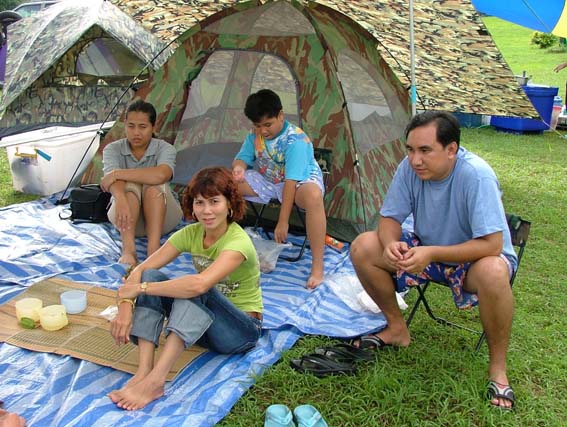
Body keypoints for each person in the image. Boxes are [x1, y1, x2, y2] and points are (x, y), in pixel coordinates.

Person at [349, 111, 517, 410]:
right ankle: (397, 329)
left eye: (425, 150)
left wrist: (432, 253)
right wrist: (391, 244)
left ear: (451, 149)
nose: (415, 160)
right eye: (410, 149)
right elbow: (390, 219)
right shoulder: (409, 168)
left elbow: (492, 245)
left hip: (476, 258)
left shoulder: (476, 175)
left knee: (494, 272)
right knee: (364, 246)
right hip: (427, 248)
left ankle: (498, 369)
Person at [108, 166, 263, 411]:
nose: (207, 210)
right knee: (152, 275)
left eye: (214, 201)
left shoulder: (238, 241)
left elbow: (199, 285)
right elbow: (139, 271)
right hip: (201, 327)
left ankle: (156, 381)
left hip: (240, 332)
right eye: (200, 202)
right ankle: (144, 371)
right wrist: (125, 308)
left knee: (195, 286)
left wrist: (142, 289)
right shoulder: (191, 233)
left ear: (230, 204)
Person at [232, 89, 326, 289]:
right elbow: (243, 157)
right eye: (258, 126)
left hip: (299, 182)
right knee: (225, 184)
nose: (263, 131)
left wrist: (283, 222)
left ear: (281, 115)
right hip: (269, 179)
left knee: (313, 196)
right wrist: (239, 168)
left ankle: (318, 267)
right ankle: (226, 244)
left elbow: (290, 182)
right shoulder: (255, 135)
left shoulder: (296, 141)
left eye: (268, 124)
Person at [101, 100, 183, 267]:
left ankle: (153, 249)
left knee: (154, 187)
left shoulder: (165, 148)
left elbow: (162, 174)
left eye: (142, 127)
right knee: (129, 188)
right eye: (131, 126)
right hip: (125, 217)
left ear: (153, 127)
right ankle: (128, 250)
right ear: (125, 125)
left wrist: (116, 174)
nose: (136, 132)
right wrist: (121, 199)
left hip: (163, 220)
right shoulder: (112, 149)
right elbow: (112, 184)